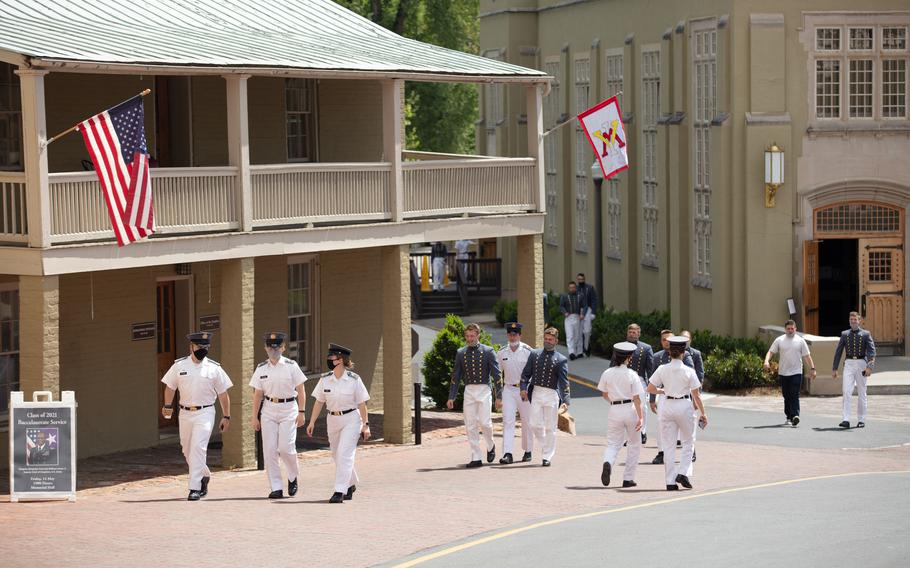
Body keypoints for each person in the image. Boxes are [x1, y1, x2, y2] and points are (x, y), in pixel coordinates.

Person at [161, 332, 233, 501]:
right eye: (199, 347)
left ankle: (194, 487)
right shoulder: (179, 366)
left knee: (198, 448)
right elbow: (170, 387)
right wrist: (167, 405)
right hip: (185, 413)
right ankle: (204, 474)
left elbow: (223, 394)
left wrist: (226, 416)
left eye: (205, 347)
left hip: (205, 412)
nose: (202, 350)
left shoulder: (214, 368)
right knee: (187, 449)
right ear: (191, 347)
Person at [306, 343, 371, 503]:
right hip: (332, 419)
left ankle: (339, 491)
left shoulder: (354, 380)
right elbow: (319, 402)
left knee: (344, 454)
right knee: (336, 454)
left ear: (340, 359)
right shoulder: (325, 379)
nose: (328, 360)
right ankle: (350, 483)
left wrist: (366, 425)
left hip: (351, 419)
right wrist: (312, 421)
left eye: (331, 357)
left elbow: (362, 404)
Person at [249, 332, 308, 499]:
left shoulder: (291, 365)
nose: (273, 350)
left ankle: (292, 475)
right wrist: (255, 417)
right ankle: (275, 487)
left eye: (276, 347)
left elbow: (301, 390)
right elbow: (258, 394)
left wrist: (302, 411)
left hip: (289, 408)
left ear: (283, 348)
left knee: (286, 448)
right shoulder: (261, 368)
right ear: (265, 348)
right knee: (269, 451)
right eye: (270, 347)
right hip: (268, 409)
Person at [647, 336, 707, 491]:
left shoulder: (662, 369)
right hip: (684, 405)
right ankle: (683, 472)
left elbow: (650, 388)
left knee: (668, 445)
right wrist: (703, 413)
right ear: (683, 353)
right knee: (688, 442)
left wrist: (663, 390)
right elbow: (697, 395)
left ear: (669, 353)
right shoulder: (689, 371)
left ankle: (670, 482)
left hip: (667, 404)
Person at [448, 323, 502, 468]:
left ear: (478, 335)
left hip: (484, 389)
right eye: (467, 336)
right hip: (469, 390)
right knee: (470, 424)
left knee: (485, 423)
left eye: (472, 336)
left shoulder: (488, 351)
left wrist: (499, 396)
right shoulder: (461, 353)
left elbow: (497, 375)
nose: (469, 339)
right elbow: (456, 376)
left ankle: (491, 445)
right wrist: (451, 396)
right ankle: (476, 456)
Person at [520, 327, 570, 466]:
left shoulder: (561, 359)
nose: (547, 341)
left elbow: (564, 381)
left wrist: (566, 399)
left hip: (551, 394)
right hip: (536, 392)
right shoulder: (534, 354)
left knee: (550, 427)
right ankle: (546, 445)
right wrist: (523, 388)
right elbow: (525, 374)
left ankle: (547, 456)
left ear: (556, 341)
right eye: (546, 339)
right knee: (534, 423)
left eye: (550, 339)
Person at [597, 342, 644, 488]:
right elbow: (636, 398)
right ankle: (628, 478)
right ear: (628, 358)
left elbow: (604, 394)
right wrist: (641, 417)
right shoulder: (632, 374)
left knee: (613, 443)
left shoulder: (607, 373)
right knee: (634, 444)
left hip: (614, 409)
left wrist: (613, 401)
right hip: (630, 409)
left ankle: (608, 461)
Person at [648, 330, 694, 465]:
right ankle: (661, 452)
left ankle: (690, 451)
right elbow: (652, 381)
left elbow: (692, 378)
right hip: (664, 395)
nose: (666, 342)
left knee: (686, 428)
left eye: (669, 340)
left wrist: (693, 399)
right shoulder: (657, 357)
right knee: (661, 424)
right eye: (664, 340)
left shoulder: (685, 355)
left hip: (682, 395)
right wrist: (652, 399)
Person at [763, 320, 816, 427]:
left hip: (796, 372)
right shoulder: (780, 340)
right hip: (783, 372)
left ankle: (795, 415)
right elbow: (771, 351)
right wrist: (766, 361)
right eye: (788, 329)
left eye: (792, 328)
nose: (790, 330)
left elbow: (807, 356)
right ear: (785, 329)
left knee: (794, 394)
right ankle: (788, 416)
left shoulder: (800, 341)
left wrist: (813, 368)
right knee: (786, 395)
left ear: (795, 329)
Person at [497, 322, 533, 464]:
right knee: (508, 421)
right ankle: (508, 453)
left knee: (527, 421)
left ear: (520, 335)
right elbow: (497, 374)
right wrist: (498, 395)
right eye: (510, 334)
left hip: (524, 390)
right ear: (507, 335)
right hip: (509, 389)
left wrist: (529, 390)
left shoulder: (528, 351)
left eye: (515, 334)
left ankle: (528, 450)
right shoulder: (502, 352)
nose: (512, 337)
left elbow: (533, 373)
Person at [610, 323, 653, 444]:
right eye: (630, 332)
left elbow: (650, 369)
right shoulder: (620, 347)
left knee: (642, 406)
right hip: (623, 379)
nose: (632, 334)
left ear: (639, 334)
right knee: (627, 407)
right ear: (627, 333)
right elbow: (613, 364)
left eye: (634, 332)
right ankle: (628, 435)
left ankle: (642, 432)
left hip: (640, 380)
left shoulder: (646, 348)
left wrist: (652, 385)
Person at [832, 311, 876, 429]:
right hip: (849, 363)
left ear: (859, 320)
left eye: (855, 319)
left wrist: (869, 367)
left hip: (862, 363)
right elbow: (838, 352)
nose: (853, 321)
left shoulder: (866, 334)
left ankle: (861, 419)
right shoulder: (845, 334)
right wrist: (835, 368)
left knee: (862, 392)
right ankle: (846, 419)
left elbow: (872, 352)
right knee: (846, 391)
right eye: (851, 320)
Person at [559, 281, 584, 360]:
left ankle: (575, 351)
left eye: (573, 287)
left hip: (576, 317)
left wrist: (582, 314)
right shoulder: (564, 296)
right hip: (568, 317)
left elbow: (583, 306)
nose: (572, 289)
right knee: (570, 336)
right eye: (570, 287)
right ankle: (571, 353)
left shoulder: (580, 295)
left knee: (576, 336)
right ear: (568, 288)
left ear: (575, 288)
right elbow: (561, 306)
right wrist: (565, 312)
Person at [575, 273, 599, 357]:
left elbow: (594, 300)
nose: (580, 281)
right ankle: (580, 351)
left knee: (587, 331)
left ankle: (587, 346)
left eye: (582, 279)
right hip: (578, 311)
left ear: (584, 279)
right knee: (578, 332)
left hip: (588, 310)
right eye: (579, 279)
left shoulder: (590, 288)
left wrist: (593, 312)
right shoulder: (576, 289)